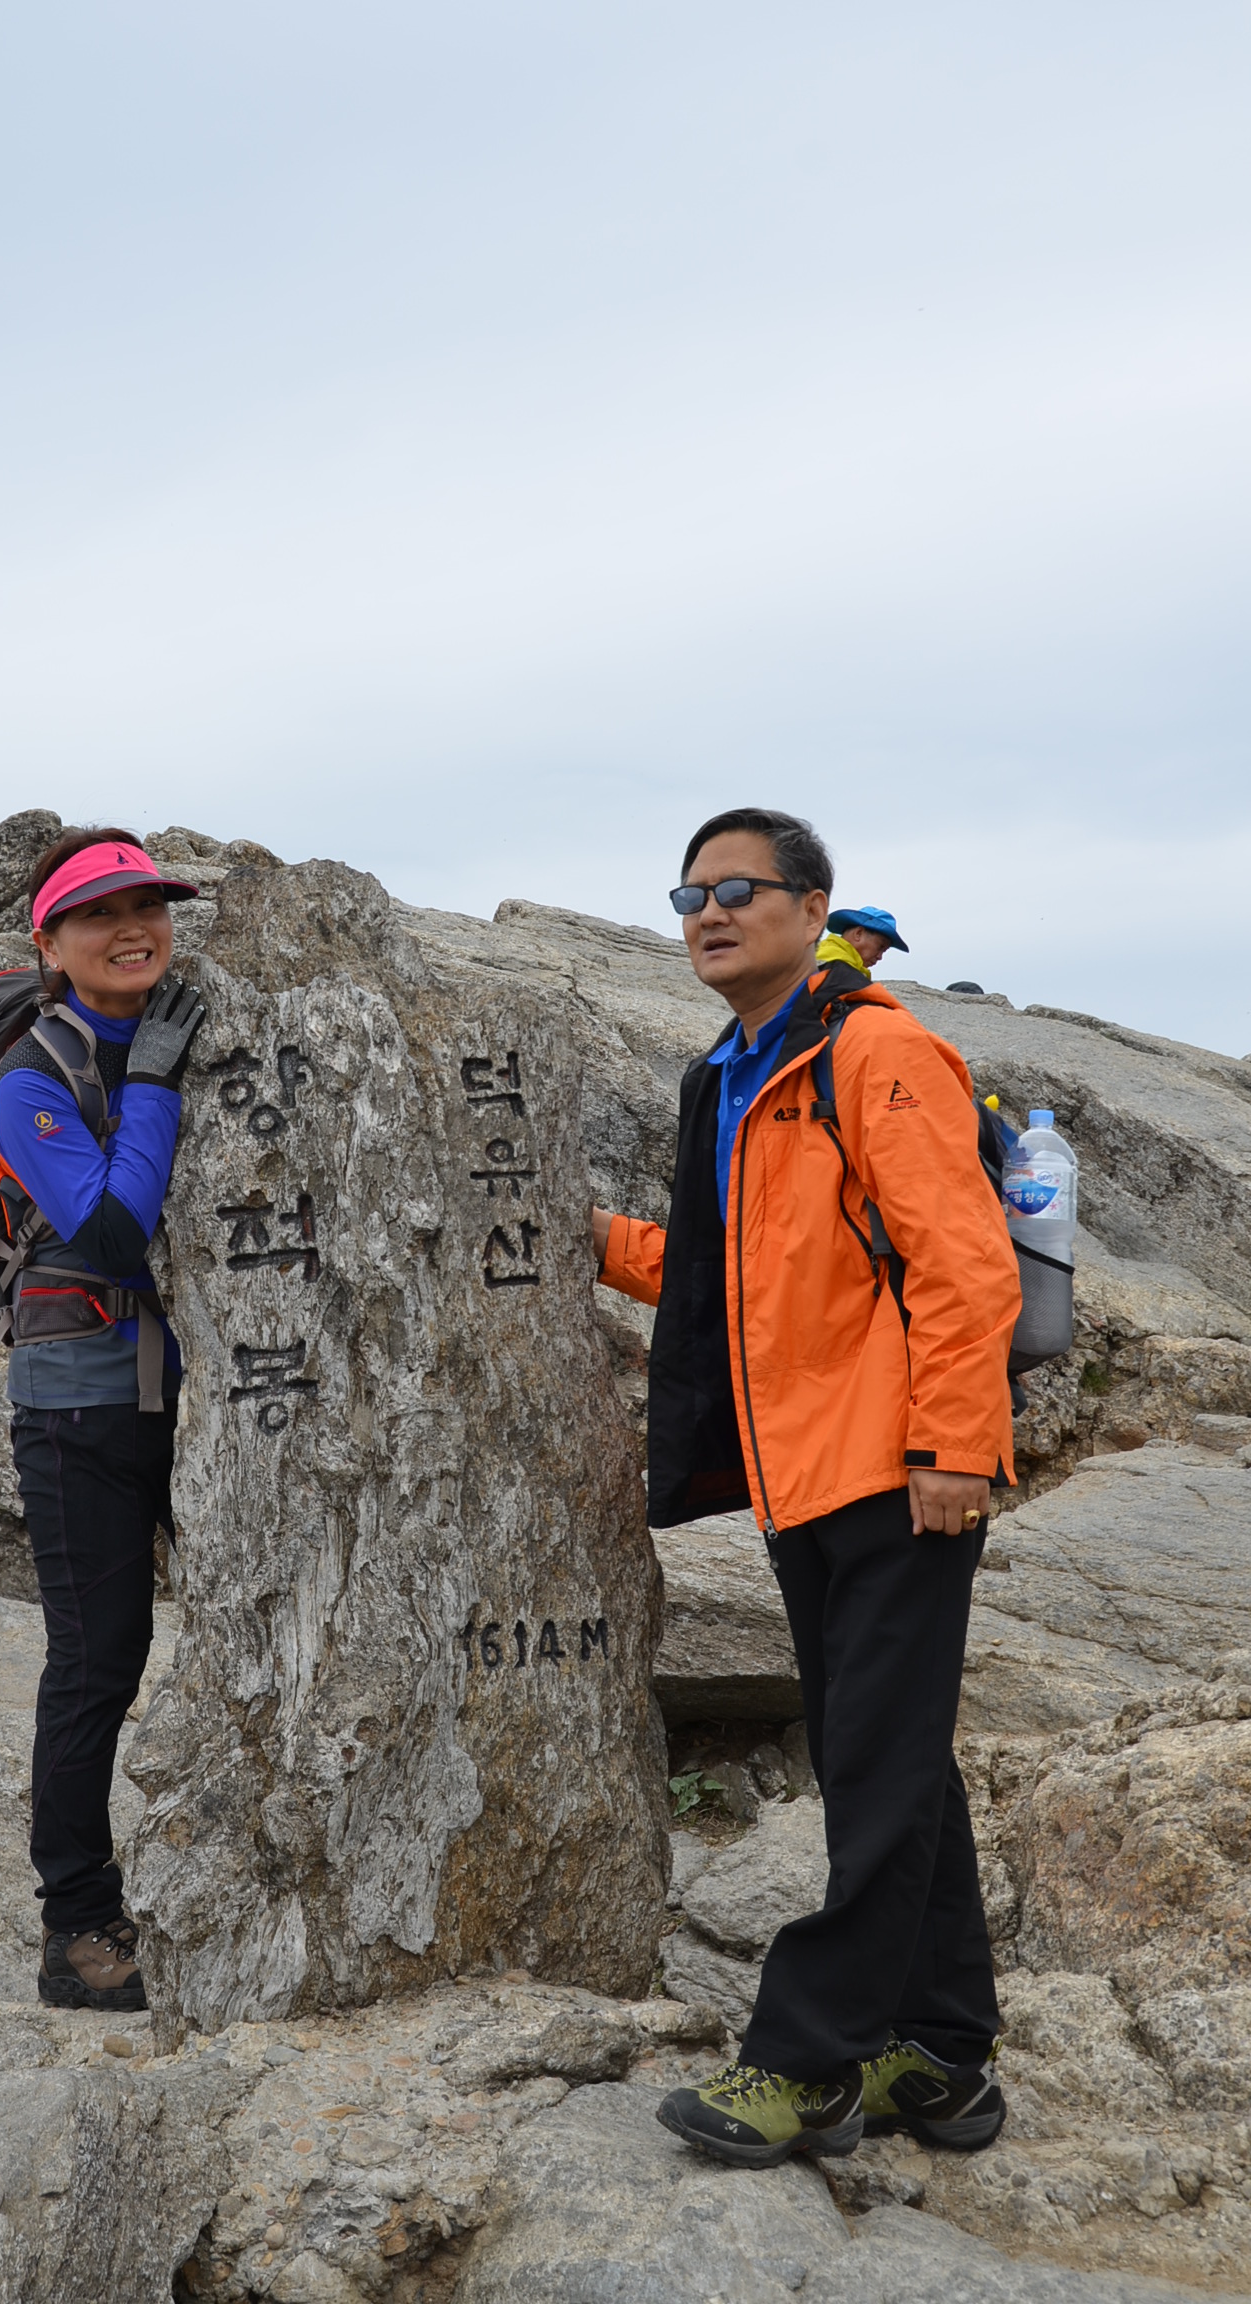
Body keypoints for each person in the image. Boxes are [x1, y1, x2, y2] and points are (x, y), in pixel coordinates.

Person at [591, 806, 1019, 2168]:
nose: (708, 912)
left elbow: (962, 1263)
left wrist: (956, 1447)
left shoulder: (876, 1052)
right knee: (879, 1760)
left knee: (877, 1769)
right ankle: (944, 2060)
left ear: (811, 905)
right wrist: (590, 1241)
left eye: (738, 889)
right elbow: (727, 1278)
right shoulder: (733, 1075)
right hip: (804, 1479)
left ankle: (810, 2060)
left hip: (897, 1470)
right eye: (690, 893)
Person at [0, 828, 206, 2011]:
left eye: (150, 905)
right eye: (100, 913)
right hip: (78, 1410)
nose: (135, 928)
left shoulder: (188, 1027)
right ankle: (75, 1925)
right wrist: (160, 1085)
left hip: (196, 1394)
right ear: (52, 943)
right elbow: (114, 1231)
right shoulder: (33, 1075)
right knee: (98, 1662)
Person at [814, 903, 908, 979]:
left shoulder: (819, 954)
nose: (880, 957)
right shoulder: (836, 964)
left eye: (884, 951)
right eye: (880, 947)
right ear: (858, 933)